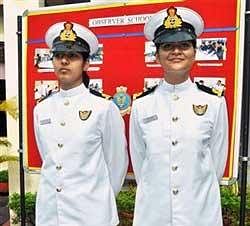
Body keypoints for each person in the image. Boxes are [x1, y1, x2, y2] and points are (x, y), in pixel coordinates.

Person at [130, 6, 228, 226]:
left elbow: (216, 164)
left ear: (195, 52)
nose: (176, 51)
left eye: (184, 45)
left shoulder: (213, 102)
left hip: (199, 213)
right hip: (154, 213)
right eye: (167, 46)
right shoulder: (142, 105)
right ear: (157, 55)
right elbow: (140, 163)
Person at [33, 21, 128, 226]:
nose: (64, 61)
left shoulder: (103, 107)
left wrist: (98, 199)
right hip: (52, 212)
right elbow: (48, 157)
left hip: (92, 214)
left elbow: (117, 162)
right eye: (58, 56)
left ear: (86, 64)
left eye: (73, 56)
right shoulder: (41, 109)